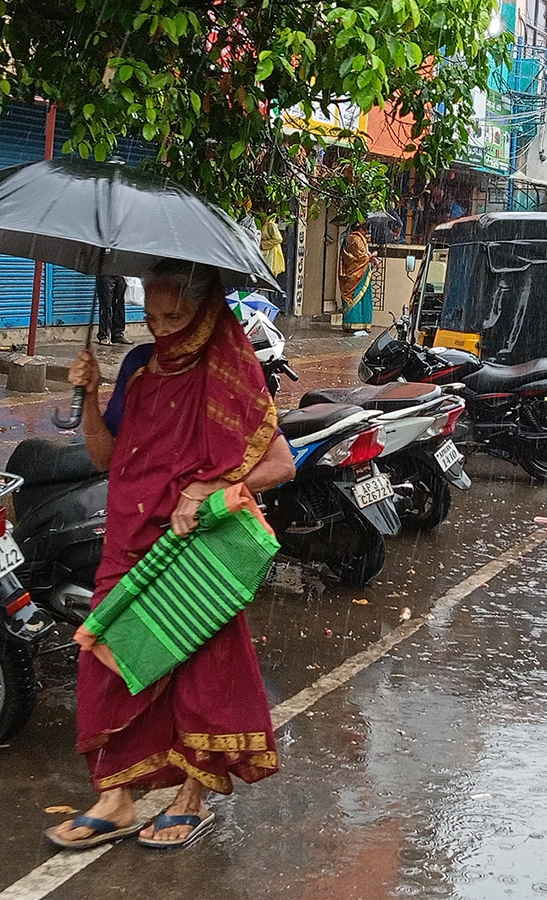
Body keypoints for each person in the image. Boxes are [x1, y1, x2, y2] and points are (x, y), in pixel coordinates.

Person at [48, 260, 296, 851]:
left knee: (199, 674)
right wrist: (89, 398)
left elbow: (281, 464)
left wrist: (212, 487)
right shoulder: (138, 367)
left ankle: (191, 795)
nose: (161, 329)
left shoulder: (231, 371)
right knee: (104, 657)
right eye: (151, 316)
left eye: (175, 316)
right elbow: (108, 458)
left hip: (196, 550)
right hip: (130, 540)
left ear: (208, 308)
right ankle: (116, 798)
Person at [339, 224, 378, 331]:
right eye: (364, 229)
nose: (366, 232)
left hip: (362, 273)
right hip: (357, 274)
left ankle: (361, 322)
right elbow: (361, 257)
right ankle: (354, 322)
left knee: (363, 298)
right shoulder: (355, 239)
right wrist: (372, 255)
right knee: (357, 297)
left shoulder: (358, 239)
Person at [95, 274, 132, 346]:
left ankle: (117, 334)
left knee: (119, 303)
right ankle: (104, 335)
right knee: (106, 304)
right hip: (105, 273)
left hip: (119, 273)